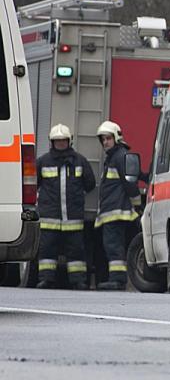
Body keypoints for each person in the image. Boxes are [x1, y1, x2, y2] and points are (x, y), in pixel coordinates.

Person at [36, 124, 94, 290]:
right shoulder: (43, 162)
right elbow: (33, 184)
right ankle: (46, 279)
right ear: (52, 142)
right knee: (47, 251)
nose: (60, 144)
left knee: (76, 251)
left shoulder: (80, 161)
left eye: (63, 141)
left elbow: (90, 183)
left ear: (69, 141)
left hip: (73, 218)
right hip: (50, 218)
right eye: (57, 141)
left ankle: (78, 280)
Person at [94, 121, 138, 290]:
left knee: (113, 245)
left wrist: (136, 205)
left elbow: (129, 184)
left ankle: (118, 279)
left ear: (116, 138)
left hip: (116, 211)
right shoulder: (115, 157)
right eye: (103, 139)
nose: (105, 142)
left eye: (108, 138)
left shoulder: (119, 156)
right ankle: (117, 278)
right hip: (112, 211)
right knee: (112, 245)